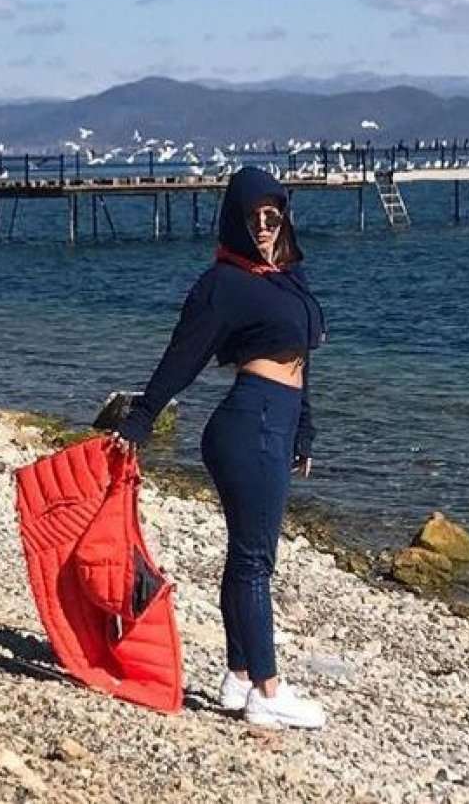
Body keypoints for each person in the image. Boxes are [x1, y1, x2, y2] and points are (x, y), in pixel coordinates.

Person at [111, 165, 328, 729]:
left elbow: (301, 361)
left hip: (275, 423)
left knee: (246, 555)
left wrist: (304, 428)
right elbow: (182, 356)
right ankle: (267, 691)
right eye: (253, 217)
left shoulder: (288, 276)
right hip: (250, 424)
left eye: (272, 215)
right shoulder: (223, 283)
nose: (264, 226)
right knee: (256, 561)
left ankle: (238, 675)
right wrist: (142, 418)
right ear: (235, 219)